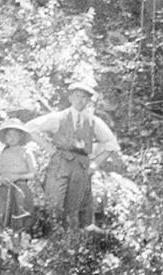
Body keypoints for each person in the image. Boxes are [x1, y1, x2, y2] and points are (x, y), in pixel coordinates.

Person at [25, 78, 119, 242]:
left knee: (75, 204)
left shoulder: (94, 121)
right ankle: (54, 236)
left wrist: (96, 164)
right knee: (54, 199)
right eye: (77, 96)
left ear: (88, 100)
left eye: (84, 97)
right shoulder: (58, 117)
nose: (80, 100)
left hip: (81, 164)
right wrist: (49, 149)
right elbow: (30, 127)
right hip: (60, 161)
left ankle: (73, 240)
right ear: (70, 98)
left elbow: (111, 144)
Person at [0, 118, 38, 260]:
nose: (11, 138)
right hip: (4, 189)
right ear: (5, 137)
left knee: (17, 221)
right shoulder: (3, 153)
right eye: (8, 135)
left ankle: (16, 251)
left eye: (15, 134)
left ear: (21, 136)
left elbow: (33, 173)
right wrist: (1, 179)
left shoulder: (26, 152)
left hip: (20, 189)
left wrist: (18, 177)